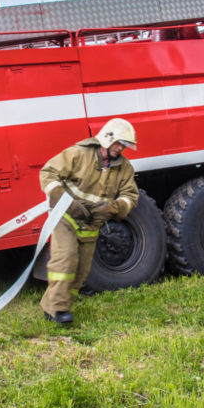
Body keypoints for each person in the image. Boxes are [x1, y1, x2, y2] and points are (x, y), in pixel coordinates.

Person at [39, 118, 140, 324]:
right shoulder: (78, 154)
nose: (120, 148)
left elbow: (130, 196)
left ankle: (60, 303)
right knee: (65, 259)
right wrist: (66, 202)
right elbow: (48, 174)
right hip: (66, 216)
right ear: (106, 138)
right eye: (118, 143)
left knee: (81, 270)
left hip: (93, 222)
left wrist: (112, 208)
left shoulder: (124, 168)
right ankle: (57, 310)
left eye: (124, 145)